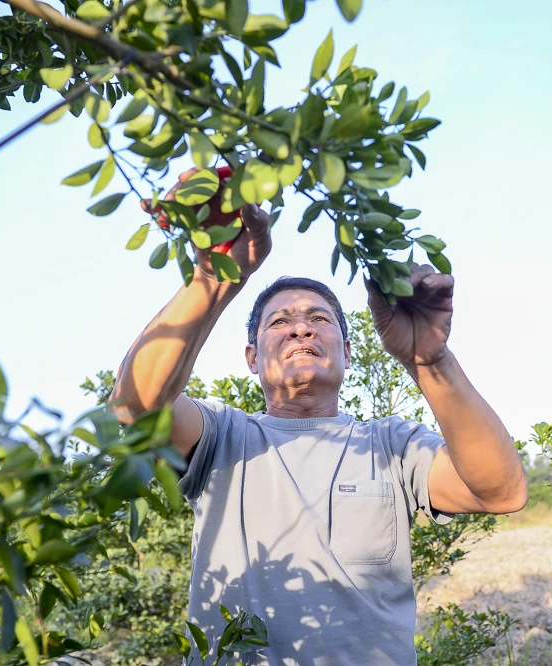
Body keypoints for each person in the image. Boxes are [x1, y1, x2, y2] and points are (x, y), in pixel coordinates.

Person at [110, 170, 527, 666]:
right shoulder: (221, 436)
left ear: (347, 352)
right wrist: (213, 279)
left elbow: (501, 491)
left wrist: (430, 362)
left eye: (320, 319)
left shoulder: (390, 445)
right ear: (251, 357)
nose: (301, 329)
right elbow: (135, 405)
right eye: (280, 322)